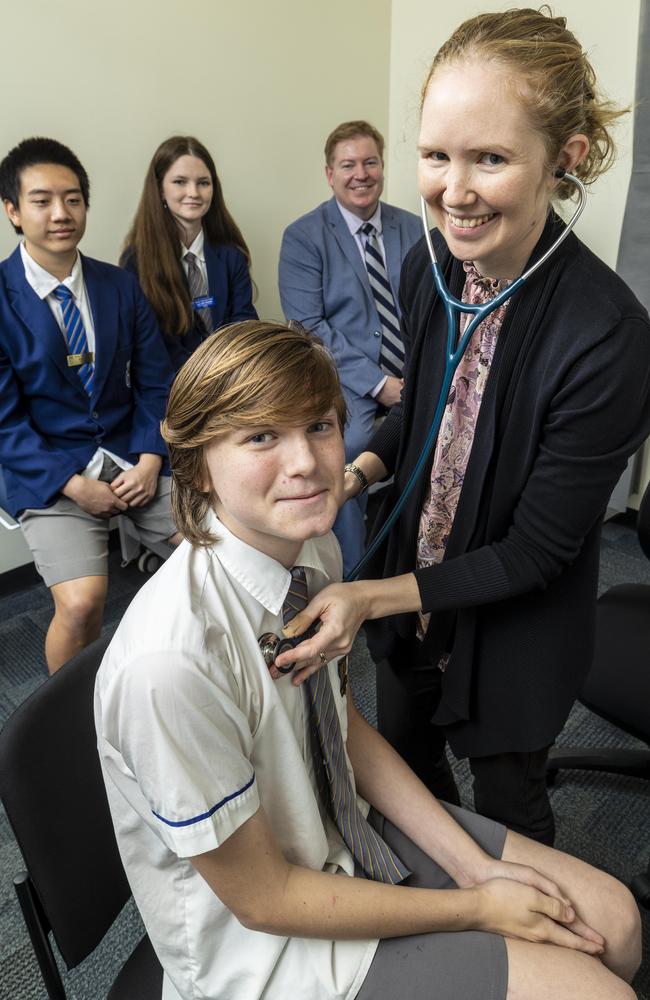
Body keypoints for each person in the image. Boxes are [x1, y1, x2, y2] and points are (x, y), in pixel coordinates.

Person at [95, 319, 640, 1000]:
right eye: (262, 436)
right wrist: (476, 906)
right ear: (198, 463)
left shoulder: (308, 550)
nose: (306, 463)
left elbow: (341, 724)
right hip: (268, 945)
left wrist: (473, 867)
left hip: (335, 826)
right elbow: (262, 902)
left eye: (320, 426)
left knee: (615, 921)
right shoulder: (169, 664)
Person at [275, 9, 650, 847]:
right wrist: (358, 473)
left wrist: (367, 593)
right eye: (437, 155)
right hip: (409, 603)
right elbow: (423, 411)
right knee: (410, 782)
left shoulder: (608, 337)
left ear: (566, 161)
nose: (454, 190)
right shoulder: (432, 264)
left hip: (511, 635)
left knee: (508, 815)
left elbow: (536, 553)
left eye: (491, 158)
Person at [0, 137, 178, 674]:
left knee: (215, 550)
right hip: (51, 472)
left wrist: (150, 460)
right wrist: (75, 486)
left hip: (131, 458)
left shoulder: (119, 286)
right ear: (12, 210)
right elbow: (5, 424)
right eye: (42, 200)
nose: (61, 213)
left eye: (73, 199)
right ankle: (70, 723)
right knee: (82, 604)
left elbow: (156, 385)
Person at [279, 120, 420, 575]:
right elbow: (308, 326)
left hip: (417, 369)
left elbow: (433, 308)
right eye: (348, 165)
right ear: (329, 174)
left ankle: (421, 555)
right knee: (347, 453)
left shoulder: (416, 228)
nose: (361, 174)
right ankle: (351, 573)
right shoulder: (303, 236)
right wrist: (379, 384)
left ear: (382, 166)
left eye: (370, 162)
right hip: (346, 380)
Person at [121, 135, 257, 373]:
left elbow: (244, 329)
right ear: (160, 189)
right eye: (180, 182)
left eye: (203, 182)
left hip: (231, 382)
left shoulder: (231, 257)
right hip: (171, 389)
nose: (193, 192)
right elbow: (150, 349)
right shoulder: (137, 262)